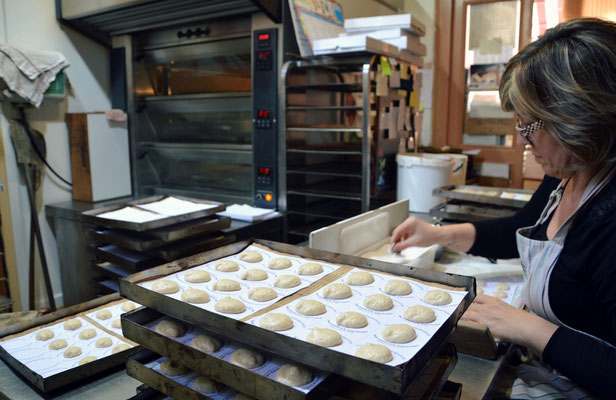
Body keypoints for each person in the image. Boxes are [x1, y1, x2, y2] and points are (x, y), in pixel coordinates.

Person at [391, 18, 616, 399]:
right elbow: (525, 227)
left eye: (530, 126)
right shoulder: (569, 170)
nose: (523, 138)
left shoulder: (609, 219)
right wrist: (438, 234)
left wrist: (527, 327)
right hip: (546, 367)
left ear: (578, 119)